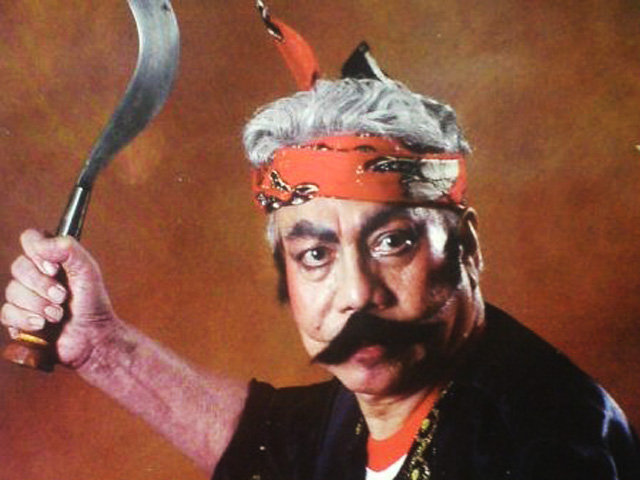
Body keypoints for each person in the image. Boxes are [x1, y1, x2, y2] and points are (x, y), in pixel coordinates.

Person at [2, 11, 639, 480]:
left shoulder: (547, 443)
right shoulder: (383, 396)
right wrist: (103, 349)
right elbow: (278, 445)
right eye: (316, 255)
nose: (356, 293)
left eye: (392, 242)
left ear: (465, 246)